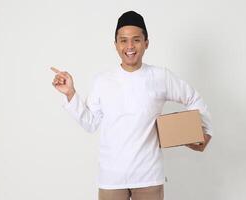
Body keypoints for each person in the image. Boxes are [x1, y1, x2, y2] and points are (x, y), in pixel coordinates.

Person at [51, 10, 212, 200]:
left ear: (146, 43)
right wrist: (70, 93)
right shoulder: (102, 81)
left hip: (148, 177)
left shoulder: (161, 76)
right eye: (123, 40)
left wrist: (204, 132)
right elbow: (90, 123)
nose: (129, 46)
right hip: (111, 178)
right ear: (116, 45)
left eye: (136, 40)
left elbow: (193, 98)